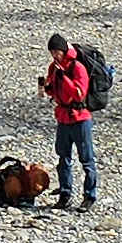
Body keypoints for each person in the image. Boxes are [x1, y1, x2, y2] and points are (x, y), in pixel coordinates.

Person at [41, 33, 101, 210]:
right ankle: (65, 194)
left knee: (86, 160)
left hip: (80, 119)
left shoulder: (78, 68)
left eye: (56, 52)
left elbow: (79, 94)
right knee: (63, 158)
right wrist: (47, 87)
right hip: (63, 119)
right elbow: (53, 92)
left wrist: (64, 78)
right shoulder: (54, 67)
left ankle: (89, 196)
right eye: (52, 52)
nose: (54, 55)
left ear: (63, 50)